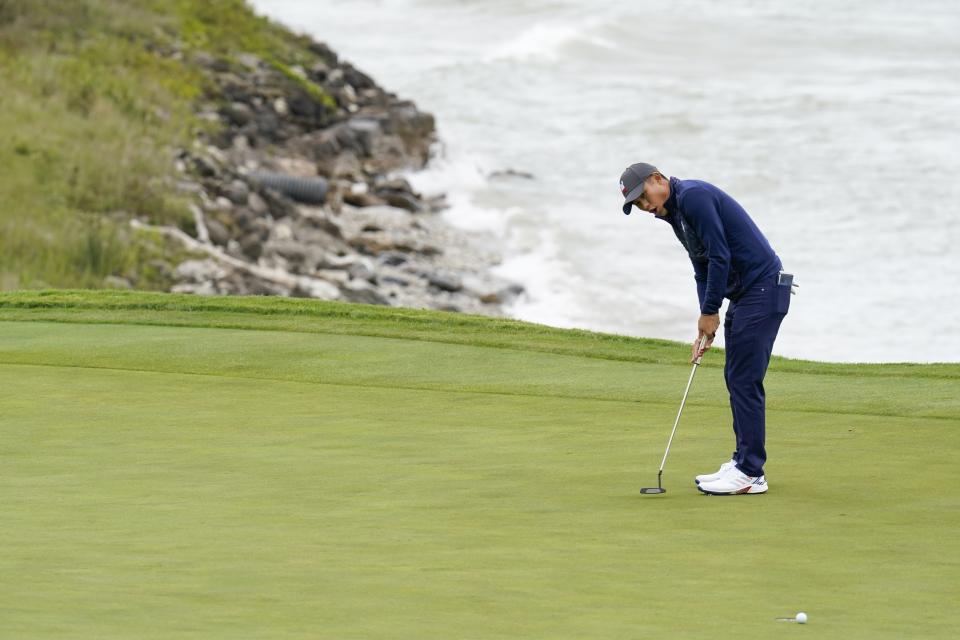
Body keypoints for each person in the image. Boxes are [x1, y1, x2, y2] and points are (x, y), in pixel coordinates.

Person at [619, 162, 793, 495]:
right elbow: (701, 267)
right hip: (748, 293)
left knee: (744, 378)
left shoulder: (694, 198)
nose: (645, 206)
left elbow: (719, 256)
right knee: (736, 376)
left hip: (763, 289)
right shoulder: (676, 214)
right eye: (638, 204)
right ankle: (744, 461)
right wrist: (705, 318)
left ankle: (751, 472)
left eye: (644, 197)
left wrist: (711, 310)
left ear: (658, 179)